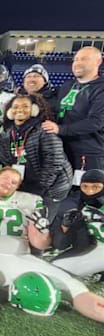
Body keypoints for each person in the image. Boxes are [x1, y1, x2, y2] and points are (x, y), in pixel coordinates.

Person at [0, 167, 104, 324]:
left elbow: (40, 244)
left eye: (14, 182)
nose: (8, 183)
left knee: (72, 284)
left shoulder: (29, 202)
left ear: (17, 186)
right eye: (5, 178)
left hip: (21, 257)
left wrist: (43, 230)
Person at [0, 94, 72, 220]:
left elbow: (54, 162)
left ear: (34, 110)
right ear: (10, 111)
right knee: (24, 221)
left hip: (51, 187)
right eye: (16, 106)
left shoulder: (44, 129)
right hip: (27, 184)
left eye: (25, 106)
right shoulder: (8, 132)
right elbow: (5, 156)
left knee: (42, 223)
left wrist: (41, 187)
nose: (20, 109)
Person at [42, 46, 104, 218]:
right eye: (76, 59)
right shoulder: (68, 85)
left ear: (98, 62)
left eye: (84, 59)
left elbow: (97, 122)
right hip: (64, 150)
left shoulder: (101, 88)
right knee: (63, 195)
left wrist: (61, 129)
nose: (77, 63)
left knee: (88, 196)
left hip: (88, 153)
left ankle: (90, 238)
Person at [51, 169, 104, 278]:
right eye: (85, 186)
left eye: (96, 187)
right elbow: (60, 245)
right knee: (55, 268)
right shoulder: (70, 204)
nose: (89, 192)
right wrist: (65, 226)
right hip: (86, 248)